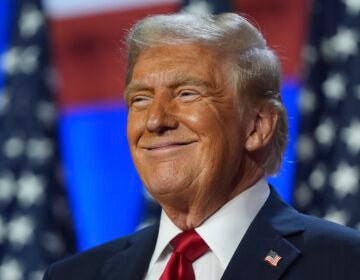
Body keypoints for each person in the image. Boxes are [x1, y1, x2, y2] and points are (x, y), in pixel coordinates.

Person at [44, 13, 360, 280]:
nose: (155, 120)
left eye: (186, 94)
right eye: (140, 99)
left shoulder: (343, 263)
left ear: (257, 125)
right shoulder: (76, 275)